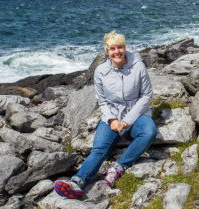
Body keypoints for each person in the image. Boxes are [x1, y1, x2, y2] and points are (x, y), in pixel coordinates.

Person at [54, 31, 156, 200]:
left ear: (125, 48)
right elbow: (102, 101)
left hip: (136, 114)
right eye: (113, 48)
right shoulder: (101, 71)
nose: (117, 52)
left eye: (120, 47)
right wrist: (112, 119)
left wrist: (127, 121)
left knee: (149, 132)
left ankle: (119, 167)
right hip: (112, 116)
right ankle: (77, 182)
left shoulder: (138, 67)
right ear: (107, 51)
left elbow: (146, 96)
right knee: (99, 149)